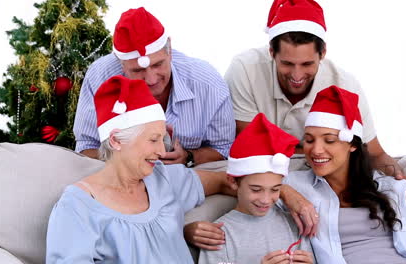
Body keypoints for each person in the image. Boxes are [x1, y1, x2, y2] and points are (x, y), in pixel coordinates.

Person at [224, 0, 406, 209]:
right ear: (271, 52)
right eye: (287, 64)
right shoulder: (245, 69)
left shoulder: (345, 84)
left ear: (323, 53)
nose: (297, 75)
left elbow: (375, 153)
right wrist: (328, 152)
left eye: (307, 64)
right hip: (266, 175)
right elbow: (252, 147)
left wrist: (399, 175)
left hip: (319, 177)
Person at [46, 76, 235, 263]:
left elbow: (228, 182)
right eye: (153, 140)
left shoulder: (163, 178)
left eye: (163, 140)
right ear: (116, 141)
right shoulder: (77, 206)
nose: (162, 151)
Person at [281, 85, 406, 264]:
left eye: (329, 140)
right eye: (309, 140)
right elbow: (255, 186)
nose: (316, 150)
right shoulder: (296, 185)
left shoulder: (390, 187)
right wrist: (284, 191)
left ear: (353, 145)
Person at [73, 7, 235, 167]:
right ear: (119, 61)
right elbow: (86, 147)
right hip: (120, 178)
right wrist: (126, 158)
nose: (151, 80)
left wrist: (189, 156)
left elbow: (223, 148)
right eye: (137, 70)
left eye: (158, 64)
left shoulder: (207, 82)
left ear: (169, 49)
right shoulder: (100, 76)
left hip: (187, 173)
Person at [198, 113, 314, 264]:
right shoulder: (218, 235)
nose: (266, 200)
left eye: (275, 189)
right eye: (256, 189)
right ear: (232, 181)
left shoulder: (293, 223)